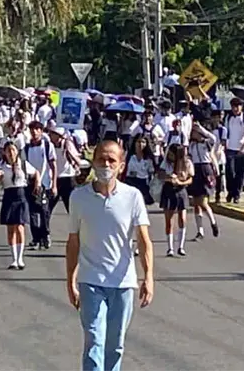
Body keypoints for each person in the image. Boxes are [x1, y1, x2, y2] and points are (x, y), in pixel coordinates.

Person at [66, 140, 153, 371]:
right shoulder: (78, 197)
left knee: (115, 345)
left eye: (112, 160)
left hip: (123, 283)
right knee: (94, 341)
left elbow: (144, 240)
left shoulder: (133, 196)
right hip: (90, 281)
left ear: (121, 166)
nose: (106, 164)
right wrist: (70, 280)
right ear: (93, 163)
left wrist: (148, 277)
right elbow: (73, 241)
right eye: (101, 159)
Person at [0, 141, 35, 270]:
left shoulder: (23, 164)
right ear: (4, 153)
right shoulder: (2, 166)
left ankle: (20, 258)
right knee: (11, 228)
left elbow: (36, 173)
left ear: (17, 151)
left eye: (13, 150)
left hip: (21, 195)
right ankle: (13, 259)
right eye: (8, 151)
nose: (11, 153)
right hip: (9, 195)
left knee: (20, 227)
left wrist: (38, 184)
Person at [23, 121, 57, 250]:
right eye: (32, 129)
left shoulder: (47, 146)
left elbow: (53, 166)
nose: (34, 132)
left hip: (45, 183)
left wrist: (54, 184)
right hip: (30, 183)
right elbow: (23, 165)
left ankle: (45, 235)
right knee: (32, 212)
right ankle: (36, 238)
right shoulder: (26, 148)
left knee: (44, 211)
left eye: (37, 129)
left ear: (41, 131)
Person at [159, 144, 193, 257]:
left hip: (181, 190)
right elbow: (160, 175)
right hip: (169, 190)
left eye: (172, 153)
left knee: (182, 218)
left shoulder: (187, 163)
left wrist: (180, 182)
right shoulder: (166, 162)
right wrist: (170, 178)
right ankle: (170, 248)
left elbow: (190, 179)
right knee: (169, 220)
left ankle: (181, 246)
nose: (170, 155)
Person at [188, 123, 220, 239]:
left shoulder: (207, 143)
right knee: (196, 203)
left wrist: (202, 128)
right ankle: (199, 230)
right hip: (195, 169)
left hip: (205, 170)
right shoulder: (191, 145)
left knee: (203, 202)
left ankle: (213, 222)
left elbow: (214, 139)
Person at [224, 98, 244, 204]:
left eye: (237, 106)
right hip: (231, 148)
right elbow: (226, 132)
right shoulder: (228, 117)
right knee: (230, 172)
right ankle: (230, 192)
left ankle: (237, 194)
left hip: (243, 149)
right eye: (233, 106)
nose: (235, 109)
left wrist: (243, 147)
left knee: (240, 173)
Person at [49, 126, 81, 213]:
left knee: (71, 207)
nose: (50, 136)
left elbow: (78, 160)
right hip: (56, 178)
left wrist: (70, 153)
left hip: (68, 178)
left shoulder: (67, 144)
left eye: (52, 134)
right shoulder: (49, 146)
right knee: (48, 206)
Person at [123, 135, 155, 206]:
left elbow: (151, 171)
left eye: (143, 142)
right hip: (130, 181)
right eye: (138, 142)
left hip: (143, 183)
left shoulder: (148, 158)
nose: (140, 144)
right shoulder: (129, 156)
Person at [209, 110, 228, 204]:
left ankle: (218, 195)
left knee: (219, 175)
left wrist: (220, 149)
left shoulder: (223, 130)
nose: (216, 120)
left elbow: (223, 142)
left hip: (218, 155)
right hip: (209, 155)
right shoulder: (208, 129)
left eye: (218, 117)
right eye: (215, 117)